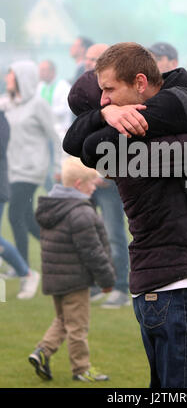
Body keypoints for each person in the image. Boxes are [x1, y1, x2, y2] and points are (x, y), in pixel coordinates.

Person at [63, 42, 187, 388]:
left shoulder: (152, 132)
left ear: (139, 83)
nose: (105, 100)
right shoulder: (150, 131)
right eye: (99, 98)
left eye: (109, 92)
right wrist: (105, 115)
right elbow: (83, 145)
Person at [28, 157, 115, 382]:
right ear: (78, 184)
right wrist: (107, 280)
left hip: (54, 278)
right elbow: (93, 252)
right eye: (92, 182)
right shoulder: (81, 212)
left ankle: (42, 352)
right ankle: (81, 369)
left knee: (63, 321)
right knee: (78, 326)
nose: (95, 186)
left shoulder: (52, 207)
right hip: (75, 280)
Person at [73, 42, 130, 308]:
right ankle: (99, 282)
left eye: (93, 59)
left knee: (113, 232)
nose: (87, 63)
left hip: (109, 179)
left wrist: (105, 175)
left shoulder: (116, 92)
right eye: (86, 58)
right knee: (89, 232)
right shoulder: (83, 89)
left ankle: (121, 287)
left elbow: (119, 141)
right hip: (86, 176)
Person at [1, 61, 62, 266]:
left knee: (14, 214)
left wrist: (59, 167)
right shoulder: (8, 104)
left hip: (31, 170)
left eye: (10, 75)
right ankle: (60, 249)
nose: (6, 78)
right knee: (27, 220)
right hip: (11, 168)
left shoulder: (38, 104)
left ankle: (22, 266)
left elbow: (56, 136)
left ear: (22, 78)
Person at [0, 110, 40, 299]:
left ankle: (26, 272)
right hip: (12, 179)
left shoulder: (2, 119)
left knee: (17, 219)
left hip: (10, 182)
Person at [37, 60, 72, 191]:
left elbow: (65, 108)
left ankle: (61, 191)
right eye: (40, 70)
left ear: (53, 71)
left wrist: (45, 113)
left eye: (44, 70)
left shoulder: (63, 86)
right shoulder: (40, 87)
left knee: (59, 167)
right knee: (44, 167)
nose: (40, 73)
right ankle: (51, 191)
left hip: (59, 134)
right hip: (44, 136)